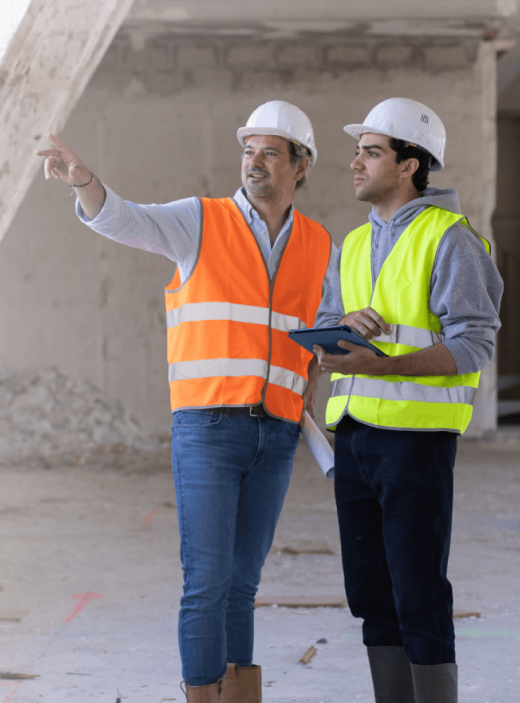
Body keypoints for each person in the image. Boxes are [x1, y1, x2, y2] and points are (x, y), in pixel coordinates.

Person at [37, 100, 335, 703]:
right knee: (206, 581)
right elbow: (124, 219)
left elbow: (320, 334)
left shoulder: (319, 242)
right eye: (248, 151)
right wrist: (85, 183)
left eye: (270, 153)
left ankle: (240, 695)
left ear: (300, 166)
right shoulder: (201, 221)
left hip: (276, 435)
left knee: (242, 585)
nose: (254, 163)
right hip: (208, 428)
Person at [313, 98, 503, 703]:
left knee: (418, 591)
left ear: (410, 165)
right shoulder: (350, 245)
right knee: (370, 593)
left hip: (416, 441)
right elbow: (323, 339)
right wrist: (341, 327)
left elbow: (474, 345)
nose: (356, 163)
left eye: (372, 152)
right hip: (356, 438)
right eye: (359, 151)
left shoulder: (451, 240)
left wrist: (386, 363)